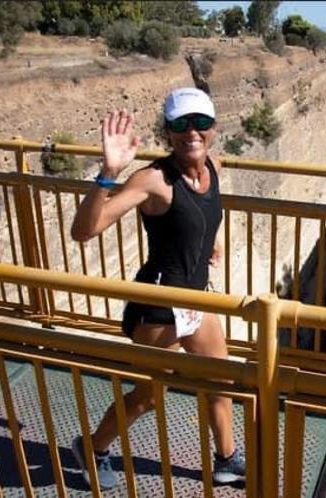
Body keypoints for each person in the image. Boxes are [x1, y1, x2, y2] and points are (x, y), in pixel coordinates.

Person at [70, 87, 245, 489]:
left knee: (221, 380)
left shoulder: (213, 167)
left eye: (200, 122)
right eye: (181, 124)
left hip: (195, 299)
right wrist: (108, 173)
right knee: (149, 397)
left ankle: (227, 461)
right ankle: (92, 447)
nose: (192, 132)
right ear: (167, 132)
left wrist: (209, 243)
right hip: (159, 304)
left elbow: (202, 214)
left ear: (214, 127)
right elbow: (84, 231)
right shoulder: (152, 180)